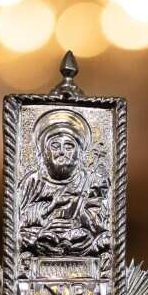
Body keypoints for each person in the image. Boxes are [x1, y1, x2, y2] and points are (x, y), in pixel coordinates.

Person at [17, 109, 110, 258]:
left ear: (80, 154)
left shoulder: (91, 181)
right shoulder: (32, 181)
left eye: (69, 146)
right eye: (55, 146)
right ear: (43, 153)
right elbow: (18, 221)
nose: (62, 152)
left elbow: (101, 223)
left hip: (80, 242)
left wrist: (77, 221)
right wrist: (49, 210)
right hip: (42, 240)